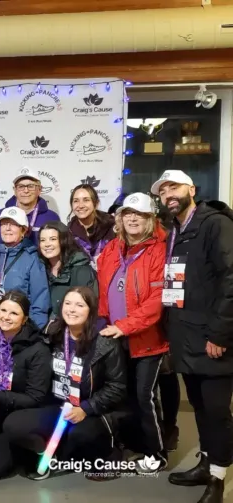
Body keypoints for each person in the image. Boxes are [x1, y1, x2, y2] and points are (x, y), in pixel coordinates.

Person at [152, 170, 233, 503]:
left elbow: (231, 280)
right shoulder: (175, 229)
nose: (169, 194)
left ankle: (217, 479)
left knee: (216, 411)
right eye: (163, 190)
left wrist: (220, 333)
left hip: (214, 338)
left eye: (175, 187)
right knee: (199, 406)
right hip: (187, 336)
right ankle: (206, 462)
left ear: (192, 189)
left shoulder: (216, 224)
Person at [15, 287, 126, 480]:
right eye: (68, 304)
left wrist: (86, 407)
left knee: (79, 436)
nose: (72, 309)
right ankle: (59, 451)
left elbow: (117, 387)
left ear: (91, 311)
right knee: (15, 425)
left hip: (91, 410)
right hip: (57, 406)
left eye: (79, 305)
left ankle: (110, 454)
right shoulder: (52, 333)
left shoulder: (105, 343)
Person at [97, 193, 169, 469]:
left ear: (150, 219)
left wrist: (124, 326)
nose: (133, 218)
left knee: (144, 396)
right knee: (122, 395)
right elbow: (104, 291)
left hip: (147, 339)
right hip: (116, 338)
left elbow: (156, 301)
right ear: (120, 218)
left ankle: (157, 453)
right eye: (128, 213)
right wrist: (103, 323)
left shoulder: (158, 250)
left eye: (139, 214)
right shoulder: (111, 249)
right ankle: (133, 445)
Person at [0, 291, 52, 479]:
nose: (6, 317)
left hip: (29, 412)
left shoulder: (37, 349)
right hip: (1, 409)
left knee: (13, 429)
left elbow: (36, 398)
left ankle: (41, 448)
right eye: (3, 310)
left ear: (25, 318)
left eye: (14, 313)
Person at [0, 207, 50, 330]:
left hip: (19, 330)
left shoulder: (33, 259)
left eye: (14, 224)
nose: (8, 228)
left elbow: (39, 303)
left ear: (24, 231)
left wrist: (30, 334)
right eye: (4, 224)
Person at [0, 167, 60, 249]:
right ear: (15, 190)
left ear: (39, 189)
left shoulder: (52, 218)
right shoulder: (0, 215)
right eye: (21, 186)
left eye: (31, 186)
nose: (26, 190)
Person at [38, 221, 97, 322]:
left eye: (53, 239)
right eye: (43, 240)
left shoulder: (81, 269)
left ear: (63, 240)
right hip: (47, 329)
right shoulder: (40, 267)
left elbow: (88, 305)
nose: (47, 244)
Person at [68, 184, 115, 270]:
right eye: (76, 201)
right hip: (82, 282)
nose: (80, 205)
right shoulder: (68, 233)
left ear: (96, 203)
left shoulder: (112, 227)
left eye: (86, 200)